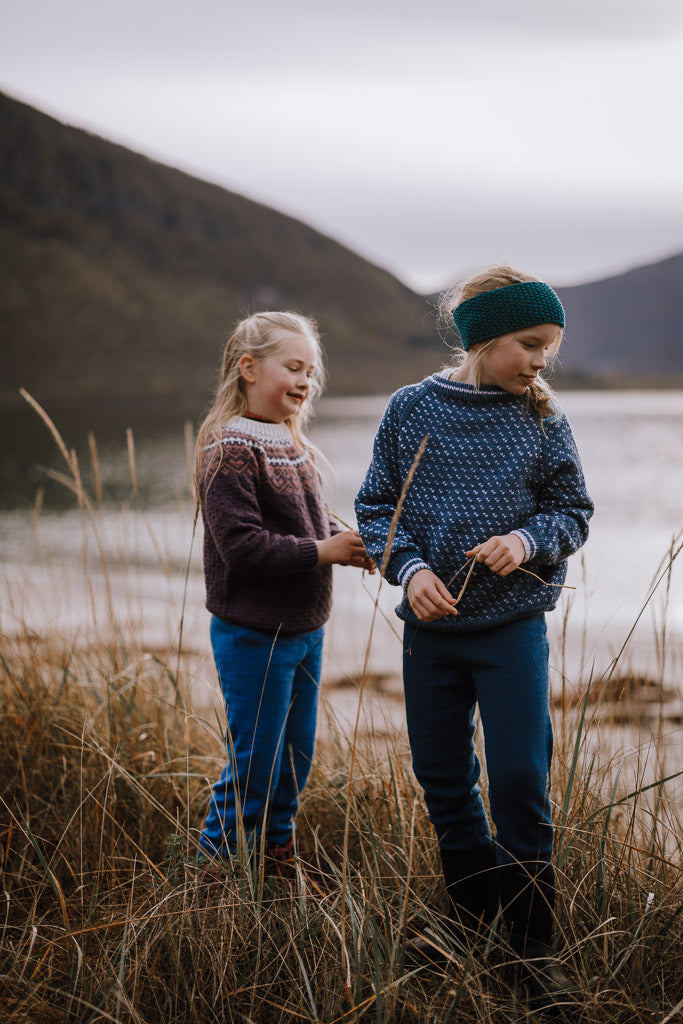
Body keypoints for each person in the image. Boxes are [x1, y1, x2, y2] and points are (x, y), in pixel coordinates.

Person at [355, 266, 593, 1005]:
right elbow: (373, 507)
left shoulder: (543, 419)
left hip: (511, 630)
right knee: (444, 779)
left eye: (548, 348)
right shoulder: (409, 410)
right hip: (431, 634)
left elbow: (573, 511)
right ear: (482, 338)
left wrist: (526, 542)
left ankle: (530, 947)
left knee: (519, 778)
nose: (539, 360)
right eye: (528, 344)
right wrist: (410, 567)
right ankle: (469, 918)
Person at [196, 310, 374, 874]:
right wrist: (326, 551)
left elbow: (308, 524)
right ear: (248, 368)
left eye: (311, 372)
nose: (304, 381)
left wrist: (346, 539)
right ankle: (212, 876)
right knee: (254, 763)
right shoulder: (228, 448)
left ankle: (276, 860)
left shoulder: (292, 445)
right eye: (292, 367)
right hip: (254, 633)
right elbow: (243, 547)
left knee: (294, 759)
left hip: (305, 630)